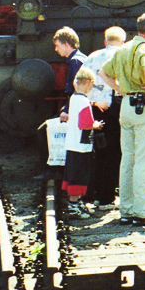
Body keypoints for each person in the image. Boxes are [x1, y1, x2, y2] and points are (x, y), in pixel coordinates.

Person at [100, 14, 145, 226]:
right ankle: (141, 212)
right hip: (144, 106)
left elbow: (103, 72)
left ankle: (126, 210)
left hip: (127, 106)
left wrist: (119, 89)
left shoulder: (123, 49)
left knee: (128, 159)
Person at [82, 26, 126, 207]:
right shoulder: (123, 55)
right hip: (115, 107)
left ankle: (92, 193)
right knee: (113, 152)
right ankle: (107, 196)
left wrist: (92, 101)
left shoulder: (92, 56)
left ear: (105, 41)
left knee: (98, 151)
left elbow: (80, 80)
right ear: (122, 42)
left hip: (96, 108)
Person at [61, 67, 103, 219]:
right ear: (89, 83)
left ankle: (76, 203)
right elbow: (85, 124)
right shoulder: (84, 101)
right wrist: (96, 125)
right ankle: (73, 206)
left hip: (73, 143)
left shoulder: (74, 98)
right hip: (81, 145)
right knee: (79, 176)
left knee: (74, 174)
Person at [53, 26, 87, 100]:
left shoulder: (75, 62)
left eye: (57, 45)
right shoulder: (82, 58)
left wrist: (66, 109)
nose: (56, 49)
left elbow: (76, 90)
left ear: (66, 44)